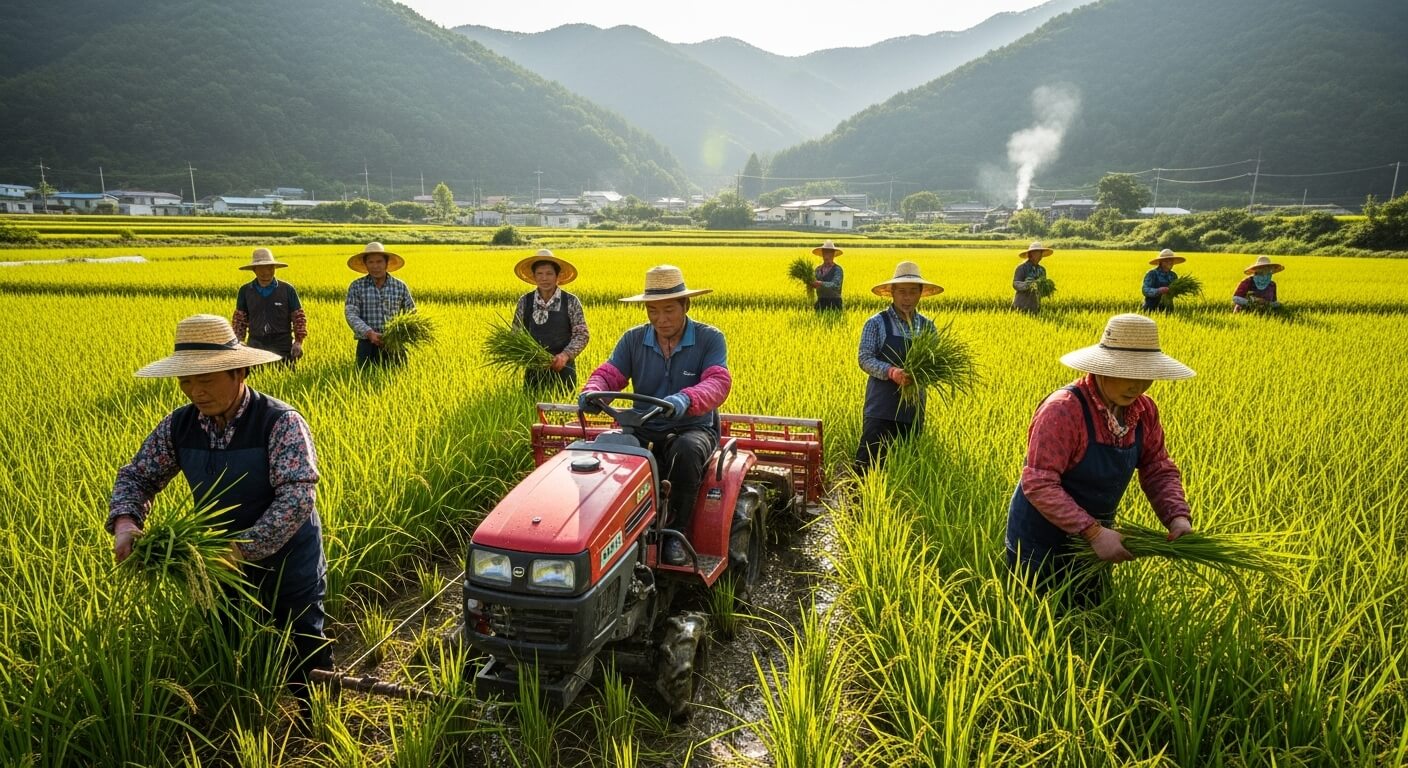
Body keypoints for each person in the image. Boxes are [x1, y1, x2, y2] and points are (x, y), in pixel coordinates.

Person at [108, 314, 330, 717]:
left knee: (302, 644)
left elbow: (297, 498)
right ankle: (247, 719)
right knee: (229, 645)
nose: (195, 391)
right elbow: (138, 475)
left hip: (287, 560)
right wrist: (126, 524)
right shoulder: (179, 426)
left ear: (239, 370)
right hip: (216, 565)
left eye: (206, 379)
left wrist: (242, 548)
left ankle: (317, 723)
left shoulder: (280, 422)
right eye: (186, 381)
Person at [1005, 313, 1195, 609]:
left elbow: (1157, 467)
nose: (1137, 385)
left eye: (1145, 374)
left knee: (1091, 614)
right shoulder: (1064, 411)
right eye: (1126, 373)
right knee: (1039, 619)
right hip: (1041, 539)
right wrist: (1092, 531)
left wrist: (1177, 517)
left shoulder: (1143, 411)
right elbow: (1039, 483)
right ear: (1102, 369)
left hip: (1098, 539)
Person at [578, 265, 731, 566]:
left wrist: (685, 399)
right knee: (606, 447)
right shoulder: (634, 339)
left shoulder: (709, 339)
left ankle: (675, 532)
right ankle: (606, 527)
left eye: (669, 310)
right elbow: (610, 373)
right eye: (653, 311)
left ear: (686, 305)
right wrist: (593, 390)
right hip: (644, 423)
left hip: (692, 426)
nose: (661, 319)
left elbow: (719, 382)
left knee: (685, 453)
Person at [854, 261, 941, 473]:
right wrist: (892, 372)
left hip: (912, 410)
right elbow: (865, 358)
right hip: (881, 408)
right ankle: (858, 504)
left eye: (913, 292)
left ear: (921, 293)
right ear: (892, 292)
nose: (907, 298)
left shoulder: (928, 327)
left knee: (904, 467)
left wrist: (923, 375)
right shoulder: (876, 323)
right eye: (902, 292)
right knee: (868, 465)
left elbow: (936, 367)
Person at [513, 248, 590, 391]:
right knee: (532, 409)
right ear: (534, 276)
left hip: (564, 369)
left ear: (557, 276)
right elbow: (516, 333)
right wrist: (529, 355)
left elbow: (582, 334)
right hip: (534, 370)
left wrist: (565, 355)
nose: (544, 278)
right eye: (540, 274)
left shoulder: (571, 301)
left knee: (564, 410)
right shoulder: (525, 301)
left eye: (549, 273)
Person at [344, 242, 415, 368]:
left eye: (379, 261)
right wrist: (369, 333)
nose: (375, 266)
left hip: (394, 344)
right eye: (371, 262)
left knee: (397, 380)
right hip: (367, 344)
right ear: (365, 265)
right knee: (364, 381)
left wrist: (400, 334)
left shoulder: (400, 286)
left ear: (386, 263)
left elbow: (412, 313)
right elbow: (351, 314)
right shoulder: (356, 286)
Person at [232, 247, 307, 366]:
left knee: (284, 376)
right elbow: (240, 320)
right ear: (254, 270)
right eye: (261, 268)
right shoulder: (245, 291)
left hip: (282, 344)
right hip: (256, 345)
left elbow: (298, 317)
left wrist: (298, 342)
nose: (266, 272)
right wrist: (238, 341)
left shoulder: (287, 290)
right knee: (257, 377)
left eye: (269, 268)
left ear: (274, 268)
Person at [1012, 241, 1053, 315]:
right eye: (1038, 253)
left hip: (1035, 306)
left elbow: (1042, 291)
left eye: (1041, 253)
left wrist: (1046, 288)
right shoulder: (1021, 268)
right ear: (1031, 254)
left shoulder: (1042, 270)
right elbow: (1015, 284)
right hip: (1021, 304)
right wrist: (1028, 284)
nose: (1040, 255)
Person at [811, 240, 845, 311]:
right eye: (825, 253)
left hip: (835, 303)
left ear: (833, 254)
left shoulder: (838, 270)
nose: (827, 255)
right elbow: (813, 282)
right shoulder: (818, 269)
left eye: (829, 253)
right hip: (820, 303)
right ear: (822, 254)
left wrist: (821, 283)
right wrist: (811, 283)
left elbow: (836, 285)